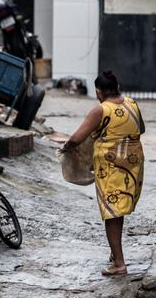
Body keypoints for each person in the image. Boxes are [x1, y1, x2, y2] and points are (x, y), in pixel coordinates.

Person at [61, 71, 145, 276]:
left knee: (111, 213)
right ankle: (115, 253)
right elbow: (140, 129)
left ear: (99, 91)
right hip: (133, 165)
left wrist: (65, 149)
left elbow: (77, 138)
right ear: (118, 86)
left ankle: (119, 264)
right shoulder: (132, 103)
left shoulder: (100, 110)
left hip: (111, 167)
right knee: (118, 211)